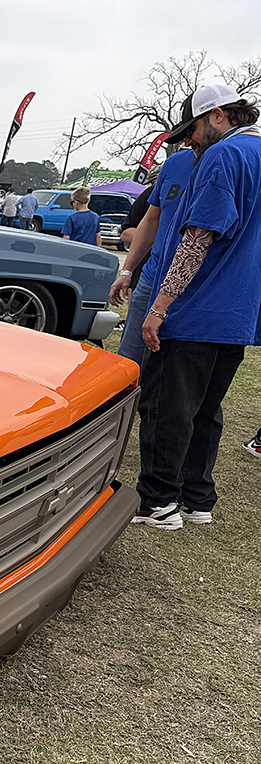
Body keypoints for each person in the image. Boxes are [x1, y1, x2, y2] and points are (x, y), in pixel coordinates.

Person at [131, 84, 261, 529]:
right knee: (204, 409)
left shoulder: (225, 155)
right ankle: (196, 498)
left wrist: (159, 306)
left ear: (218, 115)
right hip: (238, 313)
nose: (189, 139)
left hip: (195, 309)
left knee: (166, 407)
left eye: (193, 128)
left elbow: (198, 238)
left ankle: (158, 501)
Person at [108, 147, 195, 365]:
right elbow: (144, 223)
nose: (187, 140)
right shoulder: (174, 164)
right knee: (128, 359)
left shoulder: (228, 162)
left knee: (174, 364)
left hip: (196, 284)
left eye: (191, 132)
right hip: (151, 276)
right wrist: (127, 271)